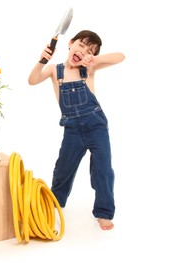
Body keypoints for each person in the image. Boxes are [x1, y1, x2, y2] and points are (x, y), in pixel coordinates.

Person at [28, 30, 124, 230]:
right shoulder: (55, 70)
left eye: (89, 50)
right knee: (63, 169)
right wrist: (42, 60)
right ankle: (55, 203)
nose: (83, 51)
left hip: (97, 127)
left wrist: (94, 59)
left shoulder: (89, 68)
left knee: (103, 170)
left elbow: (120, 57)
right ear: (70, 43)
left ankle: (103, 212)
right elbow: (33, 80)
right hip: (72, 130)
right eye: (81, 45)